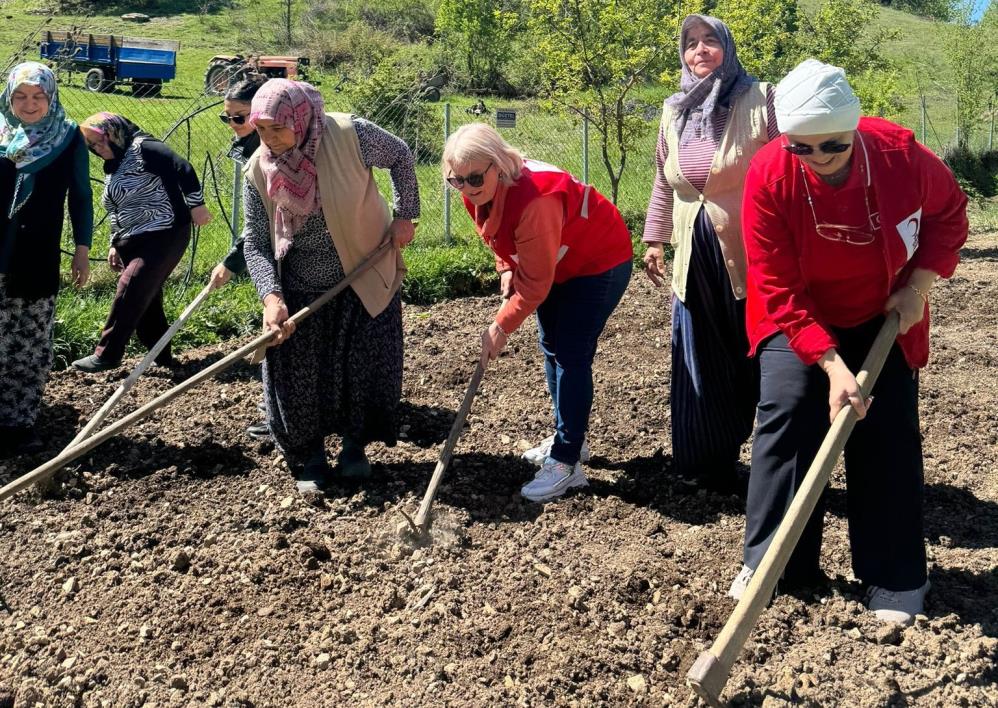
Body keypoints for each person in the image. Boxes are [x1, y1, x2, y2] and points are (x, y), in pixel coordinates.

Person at [730, 60, 968, 625]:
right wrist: (831, 365)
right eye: (801, 149)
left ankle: (894, 573)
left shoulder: (900, 156)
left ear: (854, 129)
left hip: (882, 308)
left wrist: (920, 285)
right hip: (798, 314)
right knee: (787, 412)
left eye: (831, 146)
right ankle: (774, 564)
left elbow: (950, 215)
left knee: (883, 431)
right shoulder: (769, 175)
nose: (816, 159)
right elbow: (777, 284)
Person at [242, 79, 418, 492]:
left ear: (300, 119)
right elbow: (255, 240)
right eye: (261, 130)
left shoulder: (348, 134)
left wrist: (405, 213)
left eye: (277, 129)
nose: (270, 140)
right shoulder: (258, 167)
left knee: (362, 367)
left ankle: (355, 450)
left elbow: (401, 156)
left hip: (362, 272)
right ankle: (310, 456)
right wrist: (271, 297)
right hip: (300, 285)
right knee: (297, 375)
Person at [442, 123, 633, 502]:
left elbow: (535, 286)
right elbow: (497, 235)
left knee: (571, 353)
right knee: (551, 345)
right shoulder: (477, 190)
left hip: (598, 262)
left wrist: (500, 326)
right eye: (456, 180)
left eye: (475, 177)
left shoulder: (536, 200)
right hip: (558, 262)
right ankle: (570, 440)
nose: (466, 186)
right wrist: (506, 266)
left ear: (499, 165)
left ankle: (566, 465)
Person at [642, 14, 779, 490]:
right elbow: (665, 178)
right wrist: (655, 238)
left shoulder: (762, 98)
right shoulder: (673, 109)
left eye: (710, 41)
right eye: (691, 43)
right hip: (693, 256)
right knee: (698, 355)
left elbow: (790, 165)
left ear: (729, 47)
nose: (700, 50)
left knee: (757, 352)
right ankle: (705, 464)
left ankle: (771, 459)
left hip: (753, 254)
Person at [71, 113, 212, 373]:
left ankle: (107, 354)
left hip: (164, 233)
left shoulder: (144, 148)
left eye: (100, 141)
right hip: (133, 239)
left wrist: (197, 206)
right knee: (146, 300)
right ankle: (163, 357)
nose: (97, 149)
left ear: (114, 133)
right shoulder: (116, 163)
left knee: (130, 287)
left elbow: (183, 167)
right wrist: (115, 242)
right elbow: (118, 208)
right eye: (91, 146)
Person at [0, 62, 92, 457]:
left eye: (38, 96)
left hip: (37, 254)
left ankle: (19, 424)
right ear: (8, 97)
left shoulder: (68, 137)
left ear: (51, 96)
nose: (29, 104)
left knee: (30, 340)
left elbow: (82, 195)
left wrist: (83, 250)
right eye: (20, 96)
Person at [209, 76, 269, 441]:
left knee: (276, 331)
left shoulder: (267, 147)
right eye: (227, 118)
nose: (233, 126)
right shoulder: (250, 146)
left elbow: (264, 217)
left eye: (239, 118)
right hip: (271, 247)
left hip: (290, 251)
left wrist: (232, 262)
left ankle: (277, 413)